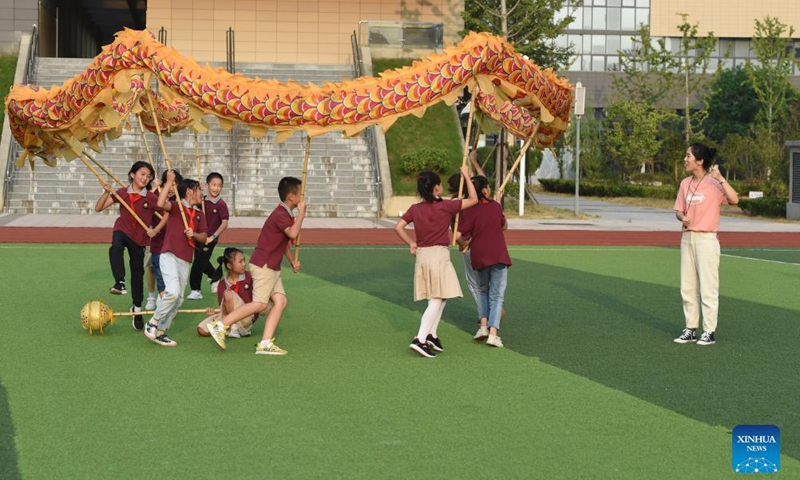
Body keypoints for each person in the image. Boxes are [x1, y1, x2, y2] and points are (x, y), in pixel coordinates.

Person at [207, 177, 306, 355]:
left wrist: (291, 261)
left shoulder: (286, 214)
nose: (302, 196)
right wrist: (302, 214)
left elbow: (284, 243)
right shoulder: (281, 215)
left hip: (272, 267)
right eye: (300, 193)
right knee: (260, 304)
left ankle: (265, 343)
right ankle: (221, 325)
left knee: (281, 301)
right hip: (264, 265)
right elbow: (292, 232)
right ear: (291, 197)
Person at [395, 165, 478, 358]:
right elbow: (473, 199)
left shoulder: (415, 209)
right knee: (436, 298)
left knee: (443, 296)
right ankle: (420, 338)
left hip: (423, 255)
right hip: (438, 256)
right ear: (436, 188)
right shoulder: (445, 206)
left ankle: (431, 334)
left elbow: (398, 227)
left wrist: (411, 243)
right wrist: (466, 176)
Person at [673, 143, 738, 346]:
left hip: (707, 240)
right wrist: (682, 217)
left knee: (708, 287)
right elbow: (678, 210)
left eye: (688, 156)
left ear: (699, 161)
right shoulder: (685, 183)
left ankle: (709, 331)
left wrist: (721, 179)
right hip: (687, 239)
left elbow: (735, 199)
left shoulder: (714, 183)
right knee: (687, 286)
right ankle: (690, 328)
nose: (685, 159)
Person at [94, 161, 165, 330]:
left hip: (139, 239)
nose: (145, 178)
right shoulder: (121, 193)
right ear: (132, 174)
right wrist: (105, 192)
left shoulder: (151, 197)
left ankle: (137, 309)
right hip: (123, 230)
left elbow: (166, 215)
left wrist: (155, 230)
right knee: (116, 245)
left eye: (148, 176)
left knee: (137, 274)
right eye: (142, 174)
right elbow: (99, 208)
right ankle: (119, 282)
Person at [143, 171, 208, 347]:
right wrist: (169, 182)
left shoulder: (200, 214)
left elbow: (204, 237)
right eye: (199, 190)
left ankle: (161, 331)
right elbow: (159, 203)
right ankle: (153, 322)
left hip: (185, 260)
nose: (202, 193)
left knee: (178, 298)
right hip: (169, 255)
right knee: (171, 291)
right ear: (189, 191)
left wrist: (193, 233)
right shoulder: (176, 206)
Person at [458, 175, 511, 348]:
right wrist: (498, 207)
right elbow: (504, 226)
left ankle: (483, 327)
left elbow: (458, 234)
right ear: (484, 190)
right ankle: (493, 333)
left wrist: (464, 244)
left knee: (482, 290)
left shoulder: (468, 210)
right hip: (498, 255)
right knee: (496, 295)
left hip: (479, 255)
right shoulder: (495, 207)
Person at [197, 247, 260, 338]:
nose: (244, 264)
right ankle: (230, 329)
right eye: (240, 261)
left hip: (245, 318)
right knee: (202, 330)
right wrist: (214, 311)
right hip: (227, 317)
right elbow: (223, 307)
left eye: (244, 261)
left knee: (228, 293)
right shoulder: (222, 284)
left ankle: (234, 328)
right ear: (229, 266)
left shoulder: (250, 277)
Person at [187, 172, 230, 300]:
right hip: (198, 237)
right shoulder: (201, 201)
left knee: (198, 264)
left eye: (219, 186)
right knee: (203, 262)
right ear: (207, 185)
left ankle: (196, 290)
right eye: (213, 185)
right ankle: (215, 276)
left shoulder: (221, 204)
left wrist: (213, 237)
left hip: (209, 239)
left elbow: (225, 223)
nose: (216, 188)